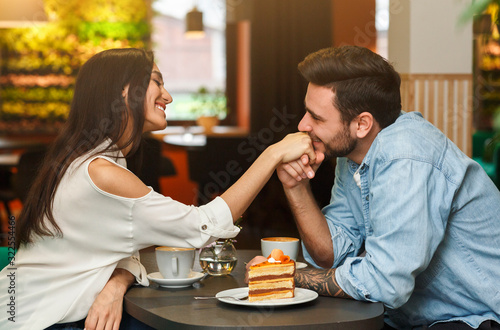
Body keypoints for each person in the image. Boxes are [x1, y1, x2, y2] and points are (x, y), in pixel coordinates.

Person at [0, 48, 322, 330]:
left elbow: (120, 246)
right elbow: (203, 229)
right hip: (42, 322)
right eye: (157, 82)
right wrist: (273, 153)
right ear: (126, 91)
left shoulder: (88, 161)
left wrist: (117, 281)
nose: (167, 96)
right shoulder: (101, 173)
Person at [268, 46, 500, 329]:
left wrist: (287, 276)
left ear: (362, 124)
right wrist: (295, 187)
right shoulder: (353, 154)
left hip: (476, 317)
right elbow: (331, 256)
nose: (303, 125)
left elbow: (385, 284)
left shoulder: (404, 154)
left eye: (316, 118)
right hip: (412, 317)